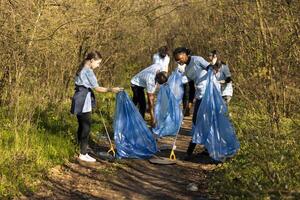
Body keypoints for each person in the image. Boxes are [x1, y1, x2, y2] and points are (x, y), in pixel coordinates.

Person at [71, 51, 122, 162]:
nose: (98, 66)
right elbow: (97, 88)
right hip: (83, 100)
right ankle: (83, 153)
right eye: (98, 63)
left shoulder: (81, 68)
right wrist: (111, 90)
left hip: (79, 98)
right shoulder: (88, 72)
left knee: (81, 125)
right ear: (92, 60)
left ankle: (81, 149)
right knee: (86, 126)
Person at [173, 47, 217, 160]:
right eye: (177, 60)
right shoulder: (186, 70)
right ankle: (203, 149)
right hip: (199, 95)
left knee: (205, 121)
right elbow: (191, 88)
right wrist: (189, 103)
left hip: (209, 93)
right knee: (195, 121)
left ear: (185, 54)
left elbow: (209, 67)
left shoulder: (197, 60)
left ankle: (193, 151)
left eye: (179, 59)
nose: (179, 61)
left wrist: (213, 68)